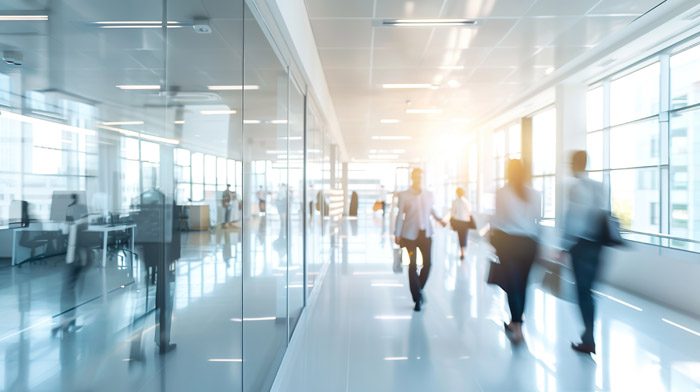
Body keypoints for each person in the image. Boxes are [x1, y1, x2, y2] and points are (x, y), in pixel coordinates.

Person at [560, 150, 606, 354]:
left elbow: (572, 219)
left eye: (571, 162)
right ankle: (589, 336)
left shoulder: (575, 188)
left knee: (582, 293)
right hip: (598, 245)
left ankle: (589, 338)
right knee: (589, 292)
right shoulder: (599, 187)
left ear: (575, 163)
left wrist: (563, 246)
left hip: (581, 246)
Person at [491, 159, 541, 343]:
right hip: (530, 244)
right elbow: (537, 219)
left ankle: (517, 326)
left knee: (512, 285)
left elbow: (497, 220)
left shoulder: (502, 193)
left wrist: (491, 239)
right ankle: (516, 322)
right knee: (522, 285)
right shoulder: (535, 194)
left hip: (509, 243)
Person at [394, 168, 446, 312]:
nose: (418, 179)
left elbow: (431, 210)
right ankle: (417, 298)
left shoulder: (429, 195)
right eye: (416, 177)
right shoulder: (404, 195)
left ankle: (419, 289)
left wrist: (439, 219)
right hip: (408, 236)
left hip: (426, 234)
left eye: (420, 177)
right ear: (412, 178)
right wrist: (396, 233)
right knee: (412, 266)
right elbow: (400, 215)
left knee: (428, 264)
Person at [449, 187, 472, 260]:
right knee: (464, 236)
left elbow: (453, 213)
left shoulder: (454, 201)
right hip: (465, 222)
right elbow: (469, 212)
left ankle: (462, 252)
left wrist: (452, 219)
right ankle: (463, 252)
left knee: (460, 236)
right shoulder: (466, 201)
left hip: (458, 221)